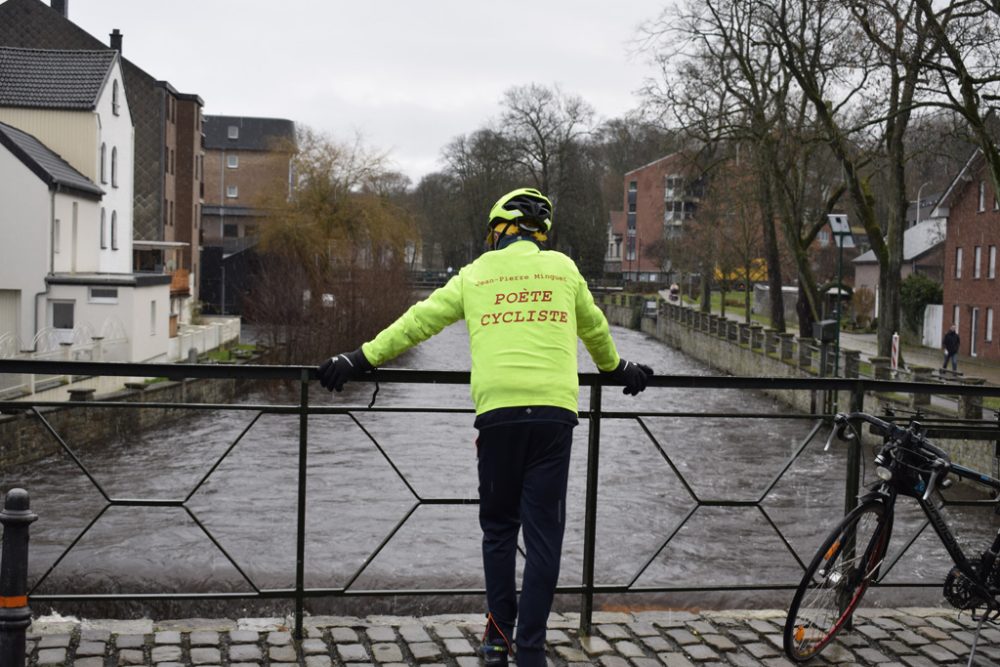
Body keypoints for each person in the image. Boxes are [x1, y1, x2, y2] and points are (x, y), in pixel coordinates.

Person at [317, 187, 653, 667]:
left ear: (500, 230)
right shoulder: (563, 269)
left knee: (498, 529)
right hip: (556, 417)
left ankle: (497, 639)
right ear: (540, 234)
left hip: (499, 418)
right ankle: (531, 651)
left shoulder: (474, 275)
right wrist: (619, 370)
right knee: (543, 540)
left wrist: (359, 357)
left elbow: (418, 323)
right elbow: (596, 331)